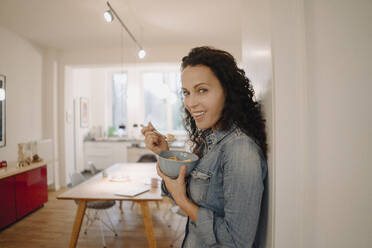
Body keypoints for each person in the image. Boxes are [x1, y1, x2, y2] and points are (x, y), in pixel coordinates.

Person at [141, 46, 267, 248]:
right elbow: (183, 192)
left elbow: (237, 242)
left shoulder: (240, 151)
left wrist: (183, 201)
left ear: (228, 90)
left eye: (202, 90)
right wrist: (164, 152)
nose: (190, 103)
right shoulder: (208, 141)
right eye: (186, 93)